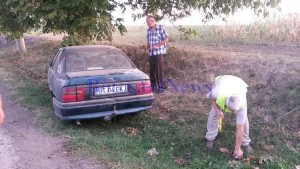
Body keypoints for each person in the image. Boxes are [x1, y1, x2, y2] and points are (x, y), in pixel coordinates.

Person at [205, 75, 254, 160]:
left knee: (244, 120)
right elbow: (212, 98)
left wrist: (237, 149)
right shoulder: (217, 92)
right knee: (214, 114)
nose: (232, 113)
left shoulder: (241, 103)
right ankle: (210, 137)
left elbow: (240, 128)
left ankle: (245, 142)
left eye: (234, 111)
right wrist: (217, 110)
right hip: (223, 81)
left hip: (238, 83)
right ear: (224, 102)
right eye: (229, 109)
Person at [146, 15, 168, 93]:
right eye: (146, 22)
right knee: (152, 70)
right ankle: (153, 86)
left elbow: (166, 39)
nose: (147, 24)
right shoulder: (148, 30)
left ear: (152, 21)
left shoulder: (160, 28)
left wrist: (157, 45)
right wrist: (147, 48)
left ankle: (161, 87)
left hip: (159, 52)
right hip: (151, 52)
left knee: (158, 70)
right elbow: (148, 41)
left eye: (148, 22)